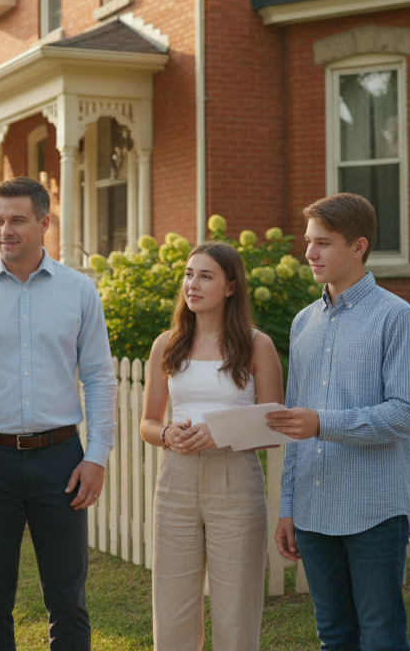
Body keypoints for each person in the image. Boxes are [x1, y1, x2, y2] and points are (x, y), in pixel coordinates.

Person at [0, 176, 117, 651]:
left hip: (61, 460)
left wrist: (96, 456)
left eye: (16, 219)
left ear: (44, 223)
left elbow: (99, 377)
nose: (4, 230)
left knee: (68, 598)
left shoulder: (79, 291)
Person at [268, 193, 410, 651]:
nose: (310, 253)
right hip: (314, 512)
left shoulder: (397, 317)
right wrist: (287, 506)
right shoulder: (304, 323)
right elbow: (295, 422)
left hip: (374, 509)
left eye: (323, 243)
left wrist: (324, 423)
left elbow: (406, 413)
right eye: (308, 242)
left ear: (358, 246)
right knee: (333, 636)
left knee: (380, 636)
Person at [139, 241, 284, 651]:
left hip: (235, 479)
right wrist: (167, 434)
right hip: (176, 479)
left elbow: (274, 429)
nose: (193, 284)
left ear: (231, 288)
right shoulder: (166, 344)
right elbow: (147, 423)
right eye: (188, 274)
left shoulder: (258, 345)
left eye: (206, 276)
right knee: (172, 612)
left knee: (236, 613)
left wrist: (223, 432)